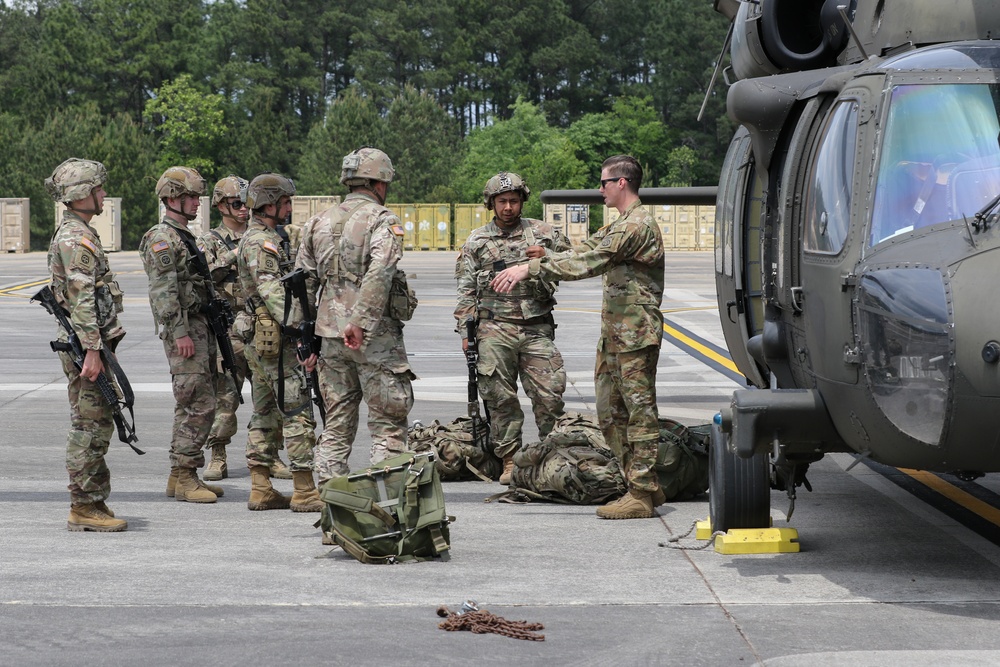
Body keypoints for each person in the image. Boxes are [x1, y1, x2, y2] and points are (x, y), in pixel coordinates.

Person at [492, 155, 665, 519]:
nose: (599, 189)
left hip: (635, 334)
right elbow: (583, 250)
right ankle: (638, 483)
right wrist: (549, 253)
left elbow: (591, 261)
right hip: (617, 335)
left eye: (603, 183)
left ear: (621, 183)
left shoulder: (637, 225)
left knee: (639, 413)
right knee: (609, 413)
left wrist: (531, 267)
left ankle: (643, 492)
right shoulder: (621, 224)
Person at [296, 147, 417, 483]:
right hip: (373, 338)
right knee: (388, 426)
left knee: (336, 424)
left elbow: (302, 283)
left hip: (329, 338)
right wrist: (360, 323)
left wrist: (307, 341)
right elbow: (381, 270)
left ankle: (333, 512)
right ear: (380, 181)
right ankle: (388, 510)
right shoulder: (382, 219)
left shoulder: (316, 222)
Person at [455, 172, 572, 485]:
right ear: (491, 203)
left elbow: (578, 261)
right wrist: (467, 335)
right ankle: (509, 459)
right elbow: (466, 289)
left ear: (522, 201)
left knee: (549, 395)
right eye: (502, 201)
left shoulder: (544, 233)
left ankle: (551, 457)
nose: (508, 207)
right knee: (499, 397)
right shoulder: (477, 241)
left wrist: (548, 256)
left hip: (536, 328)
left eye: (514, 200)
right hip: (494, 328)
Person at [45, 158, 129, 531]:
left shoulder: (81, 232)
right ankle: (83, 506)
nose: (103, 195)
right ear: (82, 194)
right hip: (85, 347)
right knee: (90, 426)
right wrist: (92, 350)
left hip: (89, 343)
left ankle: (93, 500)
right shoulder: (74, 237)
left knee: (98, 422)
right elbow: (80, 296)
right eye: (98, 189)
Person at [198, 176, 294, 482]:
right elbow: (204, 274)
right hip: (229, 329)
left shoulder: (272, 238)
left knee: (270, 395)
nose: (243, 209)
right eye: (236, 204)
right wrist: (237, 252)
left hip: (263, 326)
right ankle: (217, 453)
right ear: (221, 206)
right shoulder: (210, 240)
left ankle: (271, 454)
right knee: (225, 395)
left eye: (246, 203)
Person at [236, 173, 323, 512]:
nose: (289, 207)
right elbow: (276, 299)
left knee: (265, 412)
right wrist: (306, 330)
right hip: (276, 343)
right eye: (285, 202)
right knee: (297, 411)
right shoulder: (261, 243)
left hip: (261, 341)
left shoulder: (264, 237)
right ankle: (304, 490)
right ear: (269, 204)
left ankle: (260, 487)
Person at [139, 166, 224, 504]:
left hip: (197, 326)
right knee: (200, 403)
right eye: (191, 196)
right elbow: (163, 291)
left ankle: (178, 475)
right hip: (185, 330)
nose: (197, 202)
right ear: (172, 198)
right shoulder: (162, 237)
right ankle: (188, 475)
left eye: (198, 196)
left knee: (190, 401)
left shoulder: (182, 235)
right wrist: (179, 333)